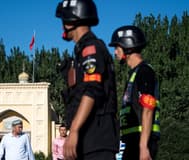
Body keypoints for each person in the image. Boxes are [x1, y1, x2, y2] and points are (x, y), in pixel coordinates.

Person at [55, 0, 119, 159]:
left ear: (71, 22)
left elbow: (92, 89)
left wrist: (74, 129)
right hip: (88, 139)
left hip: (97, 138)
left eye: (64, 21)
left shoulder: (91, 49)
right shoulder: (81, 52)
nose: (62, 26)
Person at [109, 25, 160, 160]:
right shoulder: (134, 74)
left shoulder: (144, 72)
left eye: (117, 47)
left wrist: (143, 146)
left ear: (127, 46)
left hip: (142, 142)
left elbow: (148, 108)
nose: (114, 52)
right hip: (132, 142)